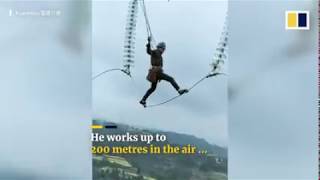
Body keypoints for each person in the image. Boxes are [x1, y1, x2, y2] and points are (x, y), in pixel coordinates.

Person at [140, 37, 188, 107]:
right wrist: (148, 43)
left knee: (153, 88)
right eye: (163, 49)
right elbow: (149, 51)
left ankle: (143, 100)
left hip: (155, 73)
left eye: (164, 49)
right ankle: (179, 90)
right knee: (171, 79)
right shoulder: (156, 52)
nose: (163, 50)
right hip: (156, 73)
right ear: (160, 48)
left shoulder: (159, 55)